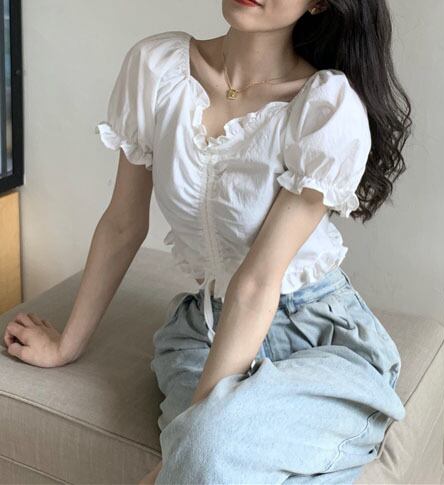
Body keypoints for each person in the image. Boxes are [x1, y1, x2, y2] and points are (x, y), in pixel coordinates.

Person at [3, 0, 412, 483]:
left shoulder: (325, 107)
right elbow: (122, 223)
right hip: (207, 332)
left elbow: (257, 282)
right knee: (207, 454)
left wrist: (194, 442)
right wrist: (66, 345)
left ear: (320, 2)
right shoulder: (157, 70)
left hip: (317, 341)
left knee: (207, 450)